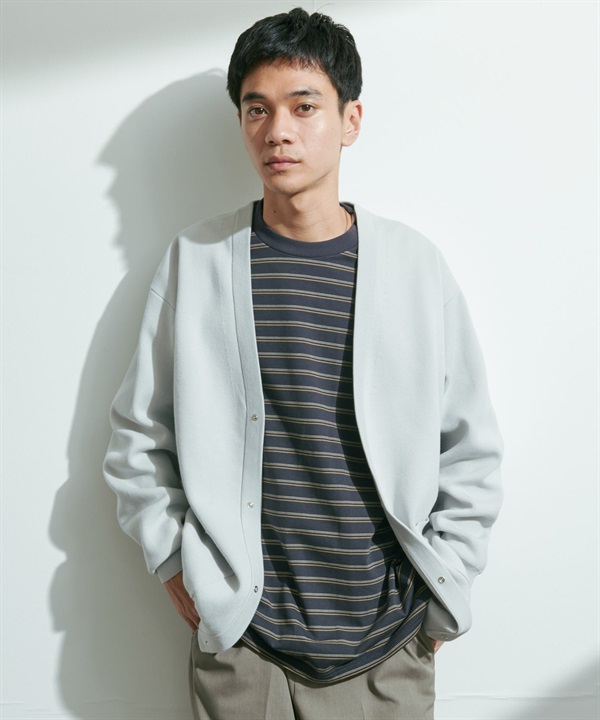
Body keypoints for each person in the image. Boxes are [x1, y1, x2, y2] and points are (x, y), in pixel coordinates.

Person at [103, 7, 503, 719]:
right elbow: (139, 434)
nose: (277, 131)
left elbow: (469, 447)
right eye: (256, 108)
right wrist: (173, 560)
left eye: (304, 106)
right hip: (245, 644)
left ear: (351, 119)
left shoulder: (413, 268)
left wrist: (447, 582)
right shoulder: (197, 262)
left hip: (389, 642)